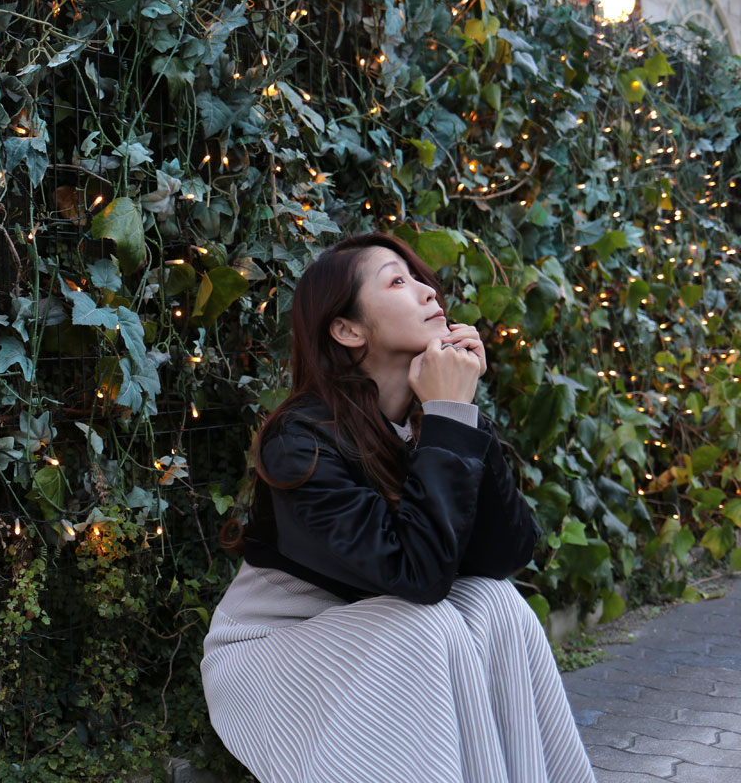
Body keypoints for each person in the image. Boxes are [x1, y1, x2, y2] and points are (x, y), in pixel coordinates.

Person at [200, 233, 595, 782]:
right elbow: (418, 577)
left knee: (495, 600)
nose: (428, 291)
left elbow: (504, 555)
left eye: (420, 279)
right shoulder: (298, 442)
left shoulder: (427, 419)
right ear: (348, 330)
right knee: (424, 622)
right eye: (397, 281)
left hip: (378, 626)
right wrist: (449, 417)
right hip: (274, 654)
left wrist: (460, 418)